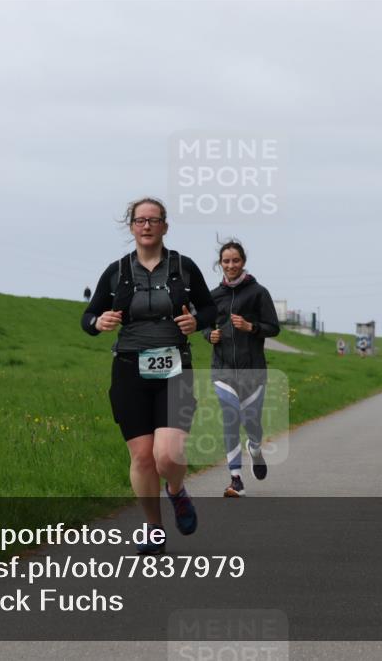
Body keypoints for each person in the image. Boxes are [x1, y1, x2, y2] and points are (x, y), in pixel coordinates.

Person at [81, 197, 217, 554]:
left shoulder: (184, 267)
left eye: (153, 220)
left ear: (164, 226)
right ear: (131, 227)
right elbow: (88, 317)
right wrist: (99, 321)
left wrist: (196, 321)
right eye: (140, 220)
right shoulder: (117, 271)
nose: (146, 226)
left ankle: (176, 490)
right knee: (142, 457)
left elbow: (209, 309)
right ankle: (154, 529)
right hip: (129, 370)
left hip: (175, 368)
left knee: (167, 456)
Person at [205, 241, 280, 498]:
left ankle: (255, 448)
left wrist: (251, 327)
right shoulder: (214, 296)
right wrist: (209, 335)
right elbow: (204, 324)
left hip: (253, 370)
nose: (231, 265)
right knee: (230, 419)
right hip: (222, 370)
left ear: (243, 262)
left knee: (251, 423)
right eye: (226, 261)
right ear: (220, 264)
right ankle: (235, 479)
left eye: (235, 260)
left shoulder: (259, 293)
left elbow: (273, 327)